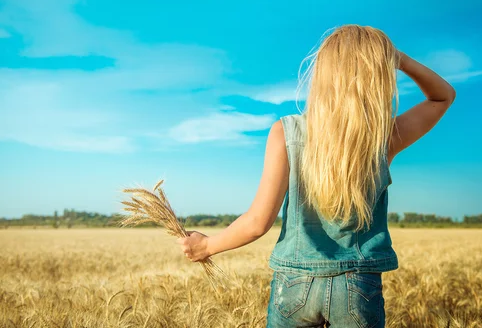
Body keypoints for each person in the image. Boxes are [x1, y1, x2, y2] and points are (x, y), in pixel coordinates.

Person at [176, 24, 456, 327]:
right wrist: (398, 58)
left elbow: (257, 223)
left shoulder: (285, 132)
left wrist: (207, 246)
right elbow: (443, 96)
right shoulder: (383, 137)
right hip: (358, 286)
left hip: (293, 285)